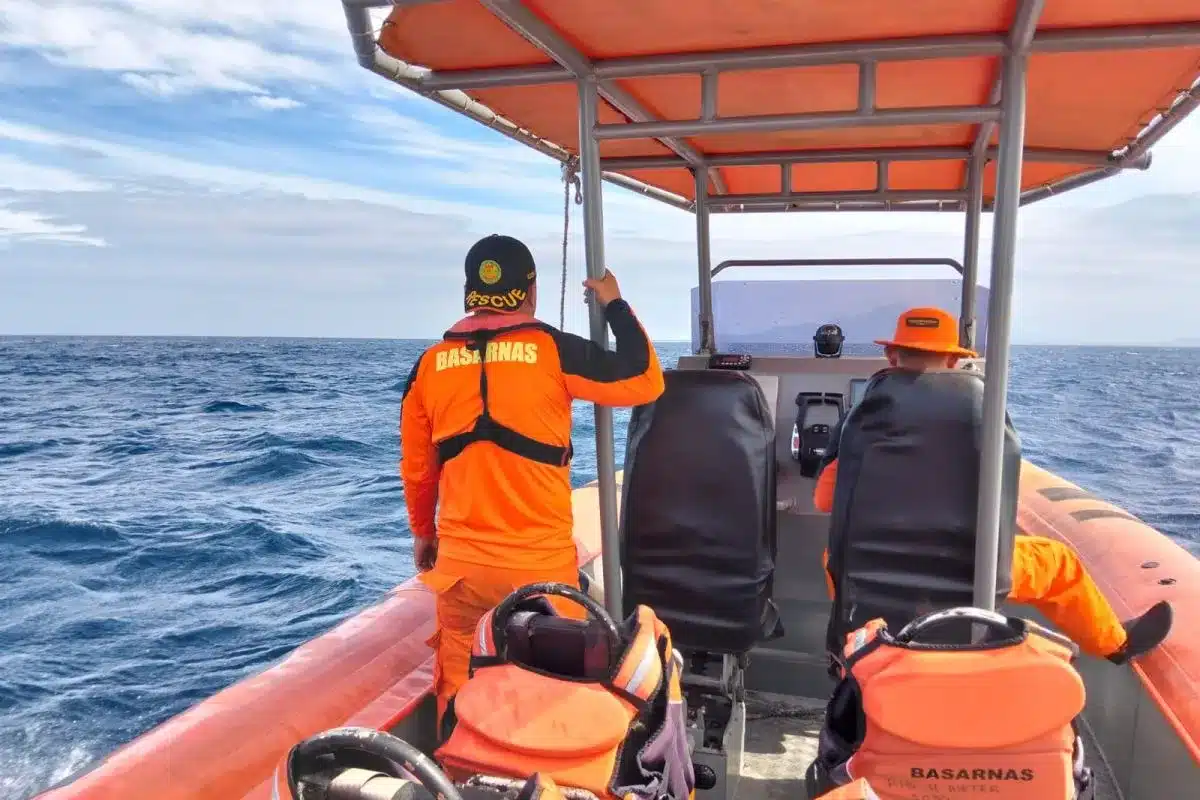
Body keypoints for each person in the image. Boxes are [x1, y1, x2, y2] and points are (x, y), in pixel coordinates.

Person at [400, 233, 665, 724]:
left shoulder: (428, 367)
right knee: (547, 700)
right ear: (530, 291)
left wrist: (423, 534)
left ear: (468, 294)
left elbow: (419, 472)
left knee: (457, 695)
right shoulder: (552, 351)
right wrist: (614, 306)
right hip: (540, 573)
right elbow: (645, 379)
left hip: (461, 571)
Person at [812, 306, 1172, 664]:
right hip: (972, 571)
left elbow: (825, 500)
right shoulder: (983, 415)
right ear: (953, 361)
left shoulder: (859, 422)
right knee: (1059, 565)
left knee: (837, 562)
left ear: (892, 355)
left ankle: (858, 647)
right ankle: (1115, 646)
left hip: (875, 572)